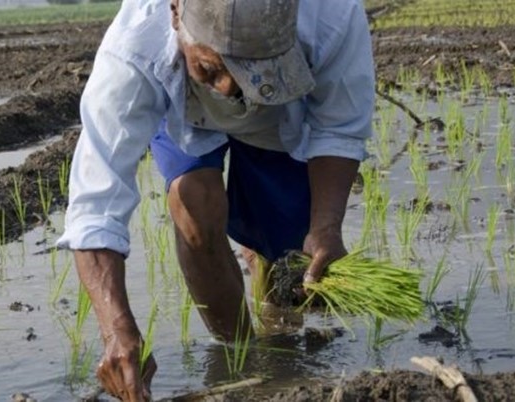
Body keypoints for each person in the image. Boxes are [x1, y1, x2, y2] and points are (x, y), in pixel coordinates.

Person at [56, 0, 375, 400]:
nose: (226, 89)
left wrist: (326, 228)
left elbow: (340, 126)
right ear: (176, 12)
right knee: (194, 205)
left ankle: (278, 326)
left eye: (246, 68)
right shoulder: (135, 48)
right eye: (210, 67)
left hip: (275, 107)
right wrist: (116, 329)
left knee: (286, 253)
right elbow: (95, 202)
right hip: (182, 105)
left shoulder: (331, 13)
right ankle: (242, 359)